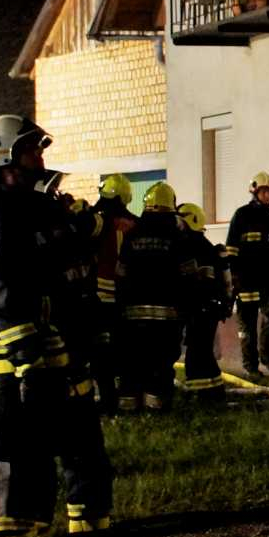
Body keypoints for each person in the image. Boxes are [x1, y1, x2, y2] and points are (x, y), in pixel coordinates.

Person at [0, 114, 115, 537]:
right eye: (31, 152)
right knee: (17, 472)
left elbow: (69, 276)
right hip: (15, 371)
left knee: (64, 467)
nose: (40, 159)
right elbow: (4, 295)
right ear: (4, 159)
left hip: (58, 361)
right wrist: (27, 361)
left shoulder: (38, 212)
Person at [117, 181, 195, 412]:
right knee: (160, 362)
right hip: (166, 317)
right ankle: (156, 406)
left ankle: (129, 404)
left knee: (132, 360)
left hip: (132, 316)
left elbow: (120, 274)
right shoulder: (177, 236)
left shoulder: (132, 235)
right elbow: (188, 274)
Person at [224, 171, 269, 376]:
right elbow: (231, 250)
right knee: (248, 325)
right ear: (255, 192)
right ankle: (251, 366)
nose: (268, 195)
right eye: (264, 191)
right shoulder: (242, 215)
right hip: (247, 281)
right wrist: (235, 277)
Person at [89, 173, 136, 413]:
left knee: (101, 351)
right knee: (126, 349)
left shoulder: (96, 221)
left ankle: (107, 399)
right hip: (126, 297)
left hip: (98, 298)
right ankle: (126, 396)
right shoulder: (136, 224)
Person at [176, 202, 228, 400]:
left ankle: (200, 393)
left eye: (180, 220)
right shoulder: (203, 245)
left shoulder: (192, 246)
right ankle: (214, 391)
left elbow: (193, 282)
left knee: (197, 352)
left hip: (201, 307)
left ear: (190, 221)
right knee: (203, 350)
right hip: (210, 307)